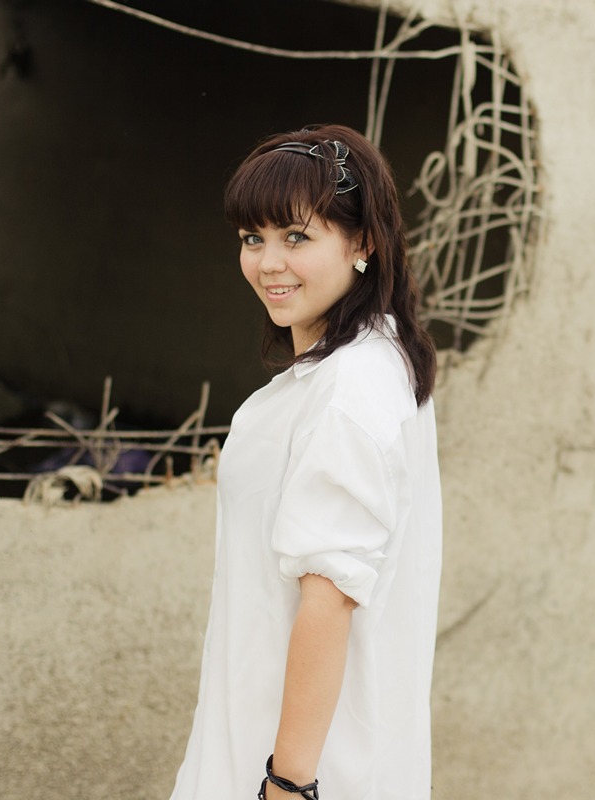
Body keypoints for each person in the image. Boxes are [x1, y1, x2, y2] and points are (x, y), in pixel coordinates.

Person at [169, 124, 442, 800]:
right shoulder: (374, 361)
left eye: (296, 237)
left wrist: (287, 785)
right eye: (251, 238)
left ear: (363, 242)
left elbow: (329, 597)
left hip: (298, 766)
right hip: (272, 739)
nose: (269, 263)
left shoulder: (351, 389)